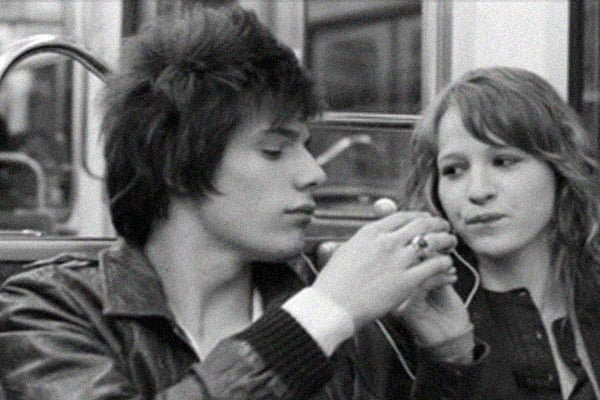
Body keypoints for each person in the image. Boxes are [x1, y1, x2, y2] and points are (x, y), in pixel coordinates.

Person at [0, 6, 479, 399]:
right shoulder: (50, 308)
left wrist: (448, 357)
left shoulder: (330, 304)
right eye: (274, 150)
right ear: (176, 164)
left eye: (306, 146)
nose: (314, 173)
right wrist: (319, 318)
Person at [402, 66, 600, 399]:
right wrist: (450, 357)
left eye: (504, 161)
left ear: (560, 167)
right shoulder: (416, 312)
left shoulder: (591, 286)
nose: (478, 191)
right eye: (454, 170)